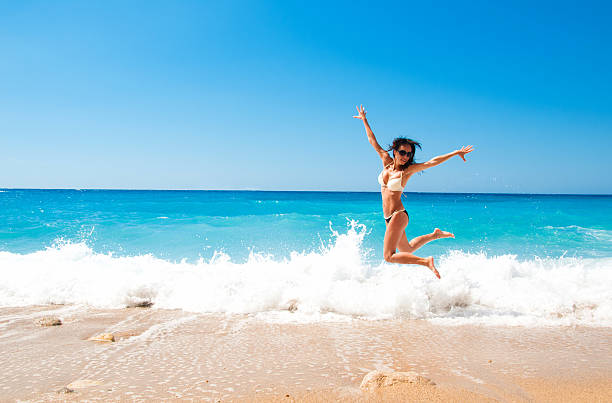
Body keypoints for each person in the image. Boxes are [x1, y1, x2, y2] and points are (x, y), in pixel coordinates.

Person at [353, 105, 473, 278]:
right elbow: (373, 142)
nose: (405, 156)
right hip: (388, 217)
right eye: (402, 152)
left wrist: (455, 152)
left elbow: (432, 162)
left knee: (389, 256)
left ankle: (426, 262)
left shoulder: (407, 171)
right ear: (395, 151)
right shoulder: (386, 161)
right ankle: (435, 235)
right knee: (407, 249)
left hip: (398, 215)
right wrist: (364, 120)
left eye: (409, 154)